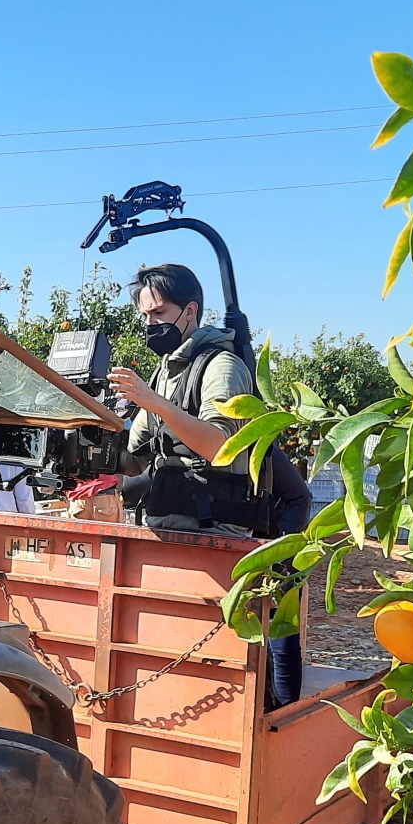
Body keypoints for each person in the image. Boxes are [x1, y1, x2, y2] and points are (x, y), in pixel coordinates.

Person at [105, 263, 310, 709]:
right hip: (170, 536)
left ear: (190, 311)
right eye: (145, 316)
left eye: (159, 313)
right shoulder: (165, 371)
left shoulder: (221, 366)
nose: (150, 324)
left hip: (216, 541)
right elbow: (136, 451)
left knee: (227, 671)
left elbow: (220, 445)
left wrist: (155, 402)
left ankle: (277, 715)